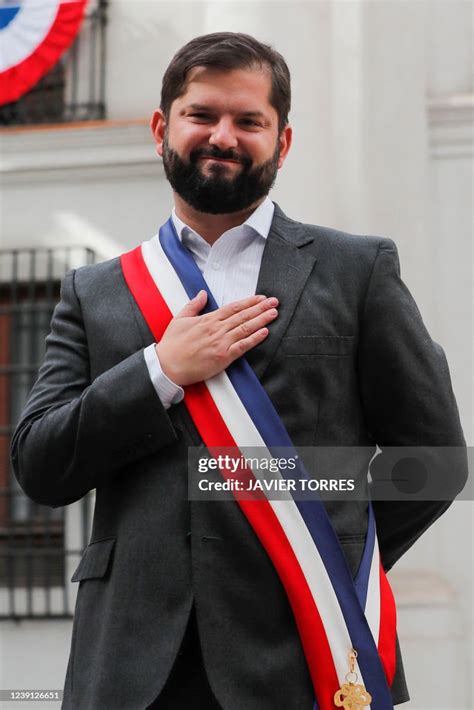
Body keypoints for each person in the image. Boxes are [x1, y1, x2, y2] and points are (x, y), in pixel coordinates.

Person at [11, 32, 466, 710]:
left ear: (282, 142)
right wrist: (159, 370)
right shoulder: (95, 291)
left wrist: (322, 539)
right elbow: (40, 464)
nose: (222, 136)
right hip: (133, 667)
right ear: (163, 128)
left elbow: (433, 463)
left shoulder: (356, 271)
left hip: (303, 650)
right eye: (202, 115)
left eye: (248, 120)